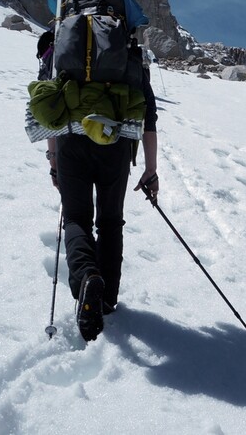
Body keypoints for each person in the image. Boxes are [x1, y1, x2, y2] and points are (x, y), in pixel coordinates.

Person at [37, 28, 160, 341]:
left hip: (69, 141)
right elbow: (149, 114)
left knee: (76, 218)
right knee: (109, 222)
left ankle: (87, 276)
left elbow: (50, 110)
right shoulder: (127, 50)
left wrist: (53, 161)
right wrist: (151, 169)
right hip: (115, 141)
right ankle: (106, 300)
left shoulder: (58, 48)